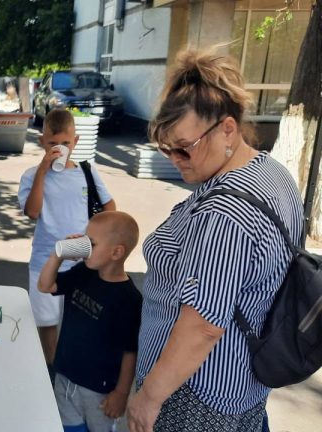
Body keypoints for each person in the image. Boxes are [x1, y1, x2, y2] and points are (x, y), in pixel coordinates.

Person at [126, 49, 304, 432]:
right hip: (243, 385)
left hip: (193, 397)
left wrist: (148, 399)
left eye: (184, 147)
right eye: (166, 147)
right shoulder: (272, 172)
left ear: (227, 128)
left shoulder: (224, 216)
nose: (174, 158)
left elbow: (204, 324)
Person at [18, 109, 116, 378]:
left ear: (76, 141)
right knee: (47, 321)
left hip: (83, 260)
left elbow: (110, 208)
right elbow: (33, 212)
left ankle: (74, 372)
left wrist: (94, 242)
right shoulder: (31, 175)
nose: (59, 149)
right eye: (52, 144)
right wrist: (42, 169)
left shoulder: (87, 171)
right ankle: (52, 371)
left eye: (65, 143)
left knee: (80, 318)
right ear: (42, 142)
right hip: (44, 259)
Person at [38, 211, 142, 432]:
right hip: (65, 376)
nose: (83, 246)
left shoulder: (128, 298)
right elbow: (45, 286)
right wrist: (58, 254)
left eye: (90, 243)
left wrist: (121, 394)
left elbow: (130, 351)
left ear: (116, 252)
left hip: (99, 391)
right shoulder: (84, 272)